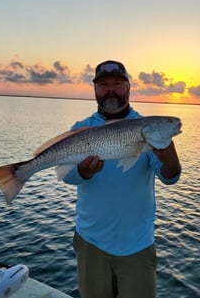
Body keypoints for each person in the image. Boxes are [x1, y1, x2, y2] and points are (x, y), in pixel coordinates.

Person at [63, 60, 181, 298]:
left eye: (117, 83)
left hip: (137, 244)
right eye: (103, 85)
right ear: (95, 90)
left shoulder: (148, 128)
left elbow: (169, 178)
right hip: (90, 241)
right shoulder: (82, 128)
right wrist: (84, 172)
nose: (110, 90)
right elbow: (67, 176)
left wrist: (171, 160)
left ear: (128, 87)